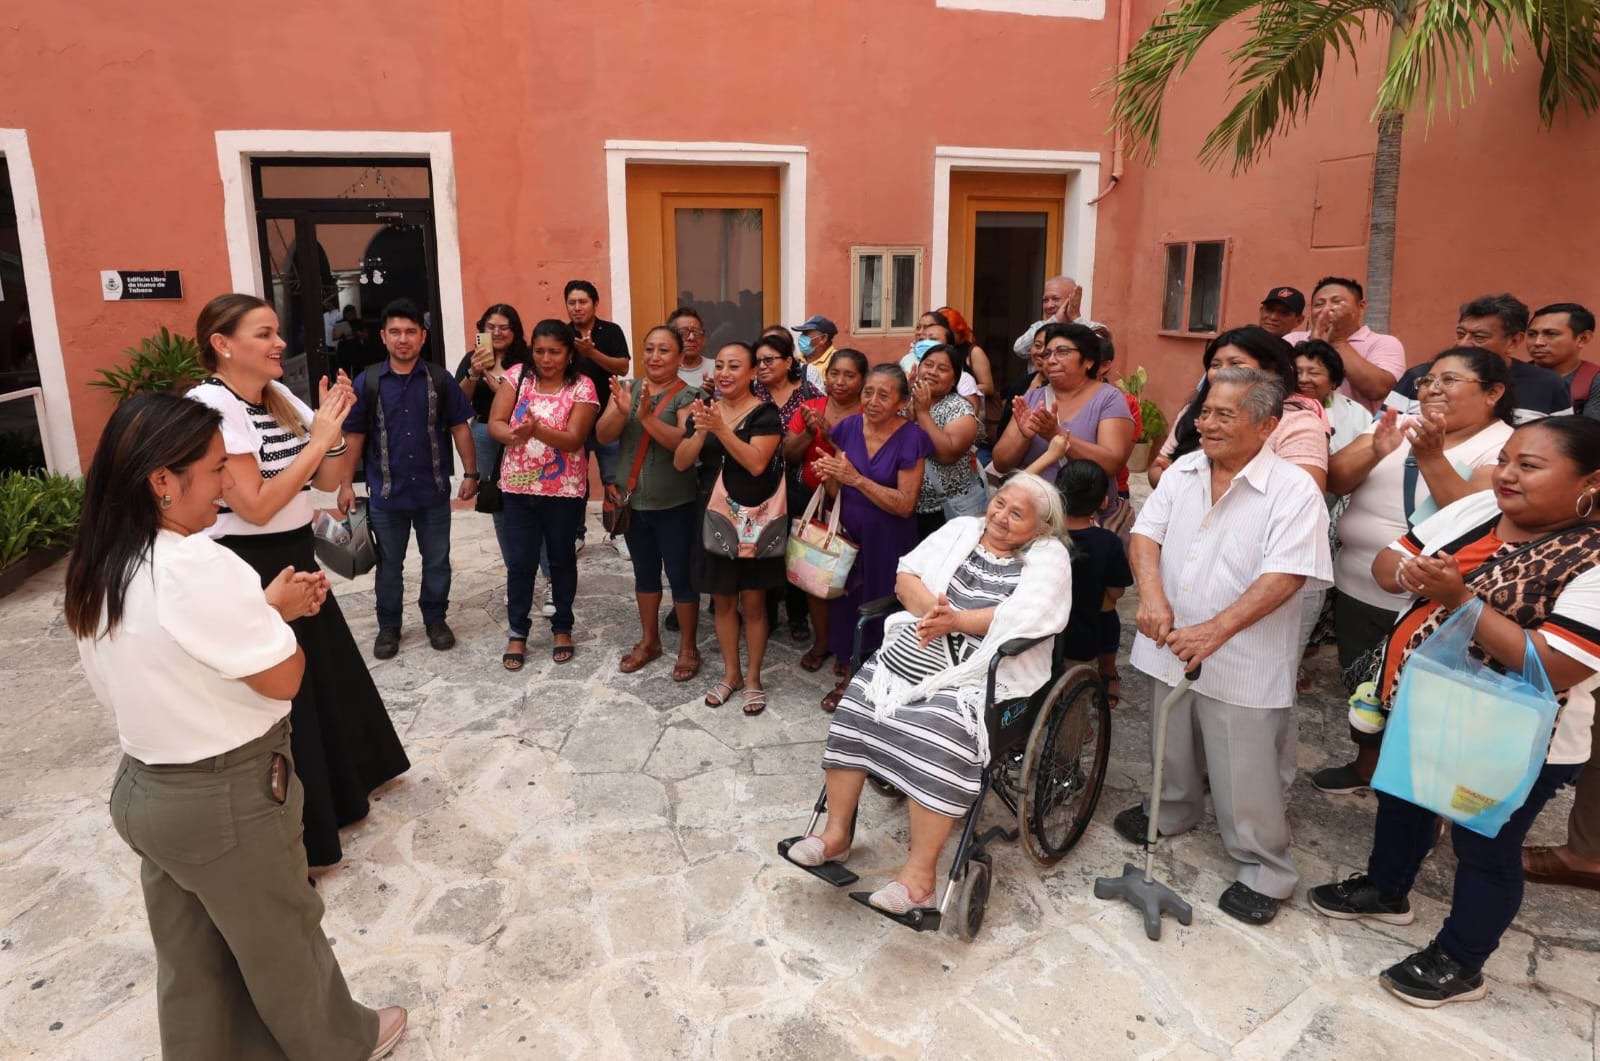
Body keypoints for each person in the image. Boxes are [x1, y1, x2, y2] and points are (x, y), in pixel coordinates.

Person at [65, 393, 407, 1060]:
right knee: (285, 934)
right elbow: (284, 677)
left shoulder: (100, 561)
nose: (226, 485)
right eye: (216, 468)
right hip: (224, 796)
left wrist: (257, 609)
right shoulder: (196, 563)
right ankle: (342, 1042)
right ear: (163, 479)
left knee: (189, 951)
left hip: (145, 787)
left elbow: (144, 667)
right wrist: (275, 618)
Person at [1309, 417, 1600, 1007]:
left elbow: (1554, 667)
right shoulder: (1475, 512)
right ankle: (1387, 890)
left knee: (1483, 845)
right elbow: (1387, 564)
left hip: (1515, 736)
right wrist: (1409, 573)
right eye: (1507, 460)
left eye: (1531, 465)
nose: (1507, 474)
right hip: (1428, 704)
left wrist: (1457, 599)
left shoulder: (1592, 562)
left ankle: (1462, 961)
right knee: (1403, 800)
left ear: (1589, 482)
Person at [187, 293, 409, 870]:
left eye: (276, 332)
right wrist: (319, 441)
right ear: (223, 344)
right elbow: (255, 507)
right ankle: (307, 822)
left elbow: (332, 474)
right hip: (251, 562)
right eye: (263, 334)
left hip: (292, 551)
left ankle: (345, 788)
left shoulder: (276, 396)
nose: (279, 343)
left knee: (323, 680)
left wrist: (332, 432)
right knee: (287, 691)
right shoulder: (212, 408)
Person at [787, 474, 1074, 914]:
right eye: (999, 503)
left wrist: (956, 623)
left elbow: (1029, 617)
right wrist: (934, 615)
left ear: (1040, 528)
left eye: (1017, 514)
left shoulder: (1049, 557)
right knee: (860, 699)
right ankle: (836, 835)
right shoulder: (962, 530)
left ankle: (919, 880)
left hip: (988, 669)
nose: (1000, 515)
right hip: (922, 642)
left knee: (940, 724)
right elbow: (906, 576)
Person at [1119, 368, 1333, 925]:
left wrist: (1215, 630)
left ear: (1266, 424)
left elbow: (1287, 574)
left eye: (1224, 414)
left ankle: (1265, 867)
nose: (1207, 424)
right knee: (1169, 741)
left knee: (1245, 766)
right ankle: (1171, 811)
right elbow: (1146, 535)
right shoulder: (1184, 470)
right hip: (1167, 638)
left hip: (1242, 654)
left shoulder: (1292, 489)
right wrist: (1151, 597)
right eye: (1205, 411)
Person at [1316, 347, 1515, 792]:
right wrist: (1375, 450)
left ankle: (1418, 792)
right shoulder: (1400, 423)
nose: (1432, 390)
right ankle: (1367, 766)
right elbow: (1335, 479)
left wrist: (1430, 456)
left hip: (1430, 601)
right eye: (1427, 381)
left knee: (1421, 700)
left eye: (1450, 380)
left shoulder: (1504, 447)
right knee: (1365, 686)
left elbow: (1475, 518)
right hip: (1358, 582)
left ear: (1493, 392)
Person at [338, 299, 478, 659]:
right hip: (386, 495)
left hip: (432, 493)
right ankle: (389, 627)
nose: (403, 339)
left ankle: (435, 620)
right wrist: (344, 486)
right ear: (383, 337)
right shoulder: (368, 382)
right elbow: (354, 437)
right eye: (396, 332)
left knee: (437, 560)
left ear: (423, 336)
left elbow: (460, 427)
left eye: (410, 332)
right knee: (389, 565)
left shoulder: (440, 379)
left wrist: (471, 472)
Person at [674, 342, 788, 716]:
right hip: (713, 519)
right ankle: (731, 673)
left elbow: (756, 464)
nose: (724, 372)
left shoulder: (765, 415)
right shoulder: (705, 411)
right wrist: (699, 431)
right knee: (723, 600)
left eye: (734, 366)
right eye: (720, 365)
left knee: (753, 603)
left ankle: (754, 677)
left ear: (753, 372)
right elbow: (681, 463)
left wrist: (720, 429)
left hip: (753, 521)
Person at [815, 365, 932, 712]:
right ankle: (850, 673)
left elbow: (906, 505)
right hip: (850, 537)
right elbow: (837, 488)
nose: (873, 400)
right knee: (847, 601)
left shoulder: (911, 437)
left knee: (884, 606)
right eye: (868, 392)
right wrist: (829, 476)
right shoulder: (849, 427)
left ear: (901, 401)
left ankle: (885, 675)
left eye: (884, 394)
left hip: (889, 540)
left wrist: (856, 479)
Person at [488, 319, 598, 669]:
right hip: (517, 487)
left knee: (561, 559)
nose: (546, 359)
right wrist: (512, 435)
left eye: (554, 352)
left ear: (569, 354)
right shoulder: (518, 376)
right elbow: (496, 423)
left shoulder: (582, 386)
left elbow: (574, 439)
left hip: (563, 490)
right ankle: (517, 632)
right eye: (539, 351)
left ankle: (562, 627)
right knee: (519, 563)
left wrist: (537, 430)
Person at [596, 325, 702, 680]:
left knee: (681, 577)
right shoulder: (628, 389)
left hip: (675, 503)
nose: (655, 357)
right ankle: (649, 641)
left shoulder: (689, 396)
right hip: (633, 503)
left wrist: (643, 417)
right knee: (644, 575)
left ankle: (688, 648)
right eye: (650, 349)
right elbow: (603, 435)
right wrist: (620, 410)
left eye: (664, 351)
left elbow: (682, 442)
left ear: (679, 356)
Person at [990, 323, 1135, 536]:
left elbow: (1112, 462)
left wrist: (1056, 435)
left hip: (1084, 524)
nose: (1051, 360)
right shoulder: (1033, 397)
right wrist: (1024, 436)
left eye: (1063, 352)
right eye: (1047, 353)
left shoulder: (1109, 399)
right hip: (1031, 521)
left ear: (1088, 361)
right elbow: (1001, 463)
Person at [1150, 327, 1329, 490]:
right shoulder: (1194, 411)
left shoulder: (1298, 424)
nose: (1222, 372)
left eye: (1235, 364)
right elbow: (1158, 469)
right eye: (1215, 365)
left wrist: (1195, 478)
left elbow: (1303, 496)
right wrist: (1170, 476)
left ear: (1270, 370)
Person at [782, 349, 869, 674]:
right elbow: (788, 455)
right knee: (816, 573)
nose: (840, 381)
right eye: (835, 373)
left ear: (862, 380)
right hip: (813, 502)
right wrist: (808, 432)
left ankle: (848, 647)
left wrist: (832, 438)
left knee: (852, 580)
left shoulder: (868, 412)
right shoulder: (810, 408)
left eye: (849, 375)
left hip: (857, 503)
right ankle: (822, 642)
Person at [1382, 294, 1569, 424]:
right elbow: (1380, 431)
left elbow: (1565, 447)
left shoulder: (1549, 385)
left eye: (1479, 337)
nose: (1463, 344)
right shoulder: (1419, 377)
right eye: (1460, 333)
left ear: (1514, 341)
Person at [753, 330, 822, 641]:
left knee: (796, 548)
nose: (763, 367)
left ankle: (798, 616)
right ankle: (766, 615)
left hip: (797, 481)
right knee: (764, 548)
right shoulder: (751, 392)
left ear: (788, 361)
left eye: (769, 360)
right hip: (760, 483)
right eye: (758, 362)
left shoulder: (806, 392)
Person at [1045, 457, 1133, 701]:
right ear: (1104, 502)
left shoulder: (1042, 536)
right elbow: (1116, 593)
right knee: (1074, 694)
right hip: (1083, 639)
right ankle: (1078, 730)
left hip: (1043, 635)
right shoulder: (1108, 543)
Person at [454, 303, 527, 563]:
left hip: (522, 434)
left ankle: (547, 573)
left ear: (515, 330)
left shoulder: (526, 359)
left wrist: (501, 390)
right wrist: (473, 373)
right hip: (484, 434)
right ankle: (514, 570)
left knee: (529, 500)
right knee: (497, 502)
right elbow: (458, 404)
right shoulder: (472, 358)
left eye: (503, 327)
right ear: (482, 329)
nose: (497, 332)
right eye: (490, 327)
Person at [565, 279, 632, 558]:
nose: (577, 308)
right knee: (575, 482)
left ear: (595, 303)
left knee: (614, 479)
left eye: (583, 302)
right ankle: (576, 535)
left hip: (609, 417)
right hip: (572, 421)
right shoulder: (561, 334)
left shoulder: (611, 331)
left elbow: (622, 365)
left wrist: (591, 352)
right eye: (572, 302)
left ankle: (618, 532)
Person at [1282, 277, 1405, 408]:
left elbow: (1377, 389)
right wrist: (1315, 344)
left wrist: (1338, 342)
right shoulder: (1292, 340)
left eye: (1336, 302)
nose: (1327, 309)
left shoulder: (1383, 343)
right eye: (1319, 304)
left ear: (1361, 307)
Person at [910, 343, 986, 538]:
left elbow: (946, 454)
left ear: (954, 380)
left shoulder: (960, 409)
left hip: (945, 511)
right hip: (907, 508)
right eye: (928, 365)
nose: (933, 372)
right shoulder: (907, 400)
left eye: (942, 369)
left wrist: (923, 414)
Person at [1294, 339, 1372, 457]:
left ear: (1334, 381)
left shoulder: (1356, 414)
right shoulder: (1277, 408)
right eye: (1297, 373)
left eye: (1314, 373)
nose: (1303, 379)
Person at [1527, 302, 1598, 417]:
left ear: (1582, 339)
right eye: (1532, 334)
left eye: (1551, 334)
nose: (1538, 342)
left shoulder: (1594, 382)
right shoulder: (1508, 376)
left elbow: (1591, 433)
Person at [1010, 275, 1102, 357]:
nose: (1049, 305)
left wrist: (1076, 318)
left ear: (1072, 300)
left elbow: (1102, 350)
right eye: (1045, 300)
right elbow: (1019, 349)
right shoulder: (1039, 326)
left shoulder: (1091, 327)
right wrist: (1055, 320)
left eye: (1055, 299)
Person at [936, 305, 996, 401]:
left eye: (950, 332)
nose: (946, 336)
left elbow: (988, 387)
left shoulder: (974, 352)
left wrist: (963, 389)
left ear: (959, 331)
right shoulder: (941, 350)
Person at [669, 306, 711, 392]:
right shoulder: (665, 373)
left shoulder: (718, 369)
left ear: (704, 339)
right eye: (683, 333)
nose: (691, 338)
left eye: (696, 332)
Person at [792, 314, 839, 382]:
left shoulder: (836, 362)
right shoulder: (797, 360)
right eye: (802, 333)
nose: (801, 337)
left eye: (806, 334)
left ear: (823, 338)